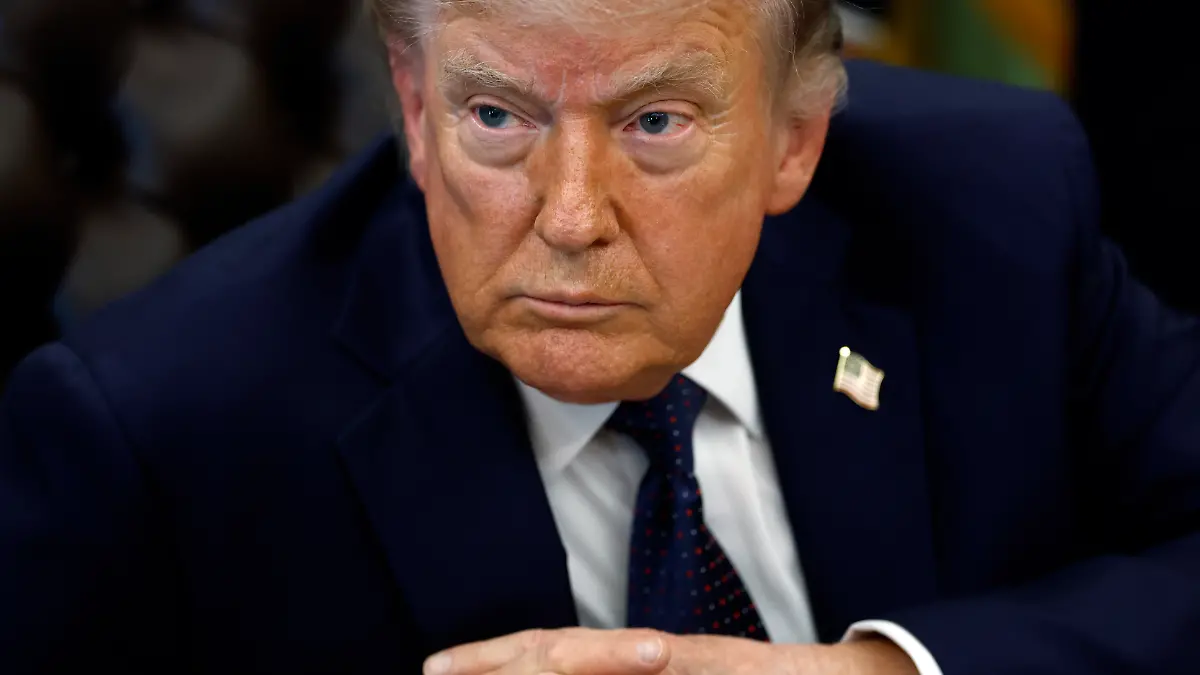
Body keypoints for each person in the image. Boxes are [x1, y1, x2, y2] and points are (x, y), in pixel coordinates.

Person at [1, 0, 1198, 672]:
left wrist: (883, 673)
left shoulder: (991, 206)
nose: (570, 217)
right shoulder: (156, 434)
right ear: (414, 115)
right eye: (494, 116)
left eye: (659, 122)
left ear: (792, 140)